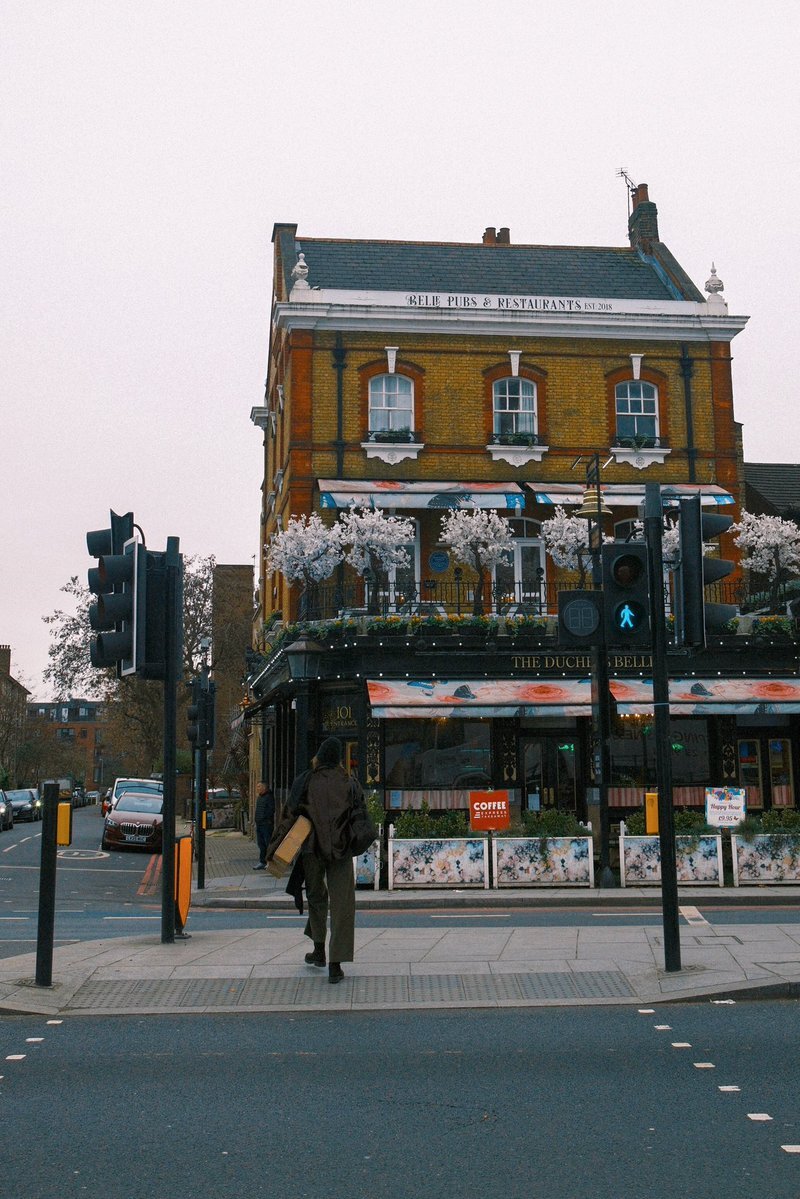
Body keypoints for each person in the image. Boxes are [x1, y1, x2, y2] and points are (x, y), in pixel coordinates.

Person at [285, 736, 366, 984]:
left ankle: (318, 948)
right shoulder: (349, 782)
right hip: (341, 849)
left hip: (312, 848)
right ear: (339, 759)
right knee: (342, 903)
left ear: (318, 757)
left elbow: (290, 813)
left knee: (316, 896)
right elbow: (360, 816)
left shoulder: (306, 780)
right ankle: (335, 964)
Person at [253, 781, 275, 870]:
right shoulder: (259, 798)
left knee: (268, 843)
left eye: (259, 786)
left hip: (266, 825)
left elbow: (271, 810)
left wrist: (265, 819)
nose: (257, 788)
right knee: (261, 844)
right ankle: (262, 862)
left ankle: (270, 862)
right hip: (259, 824)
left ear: (264, 787)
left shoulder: (269, 797)